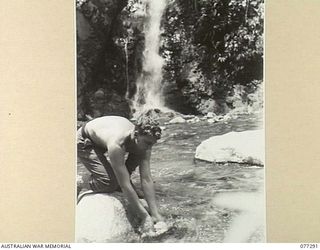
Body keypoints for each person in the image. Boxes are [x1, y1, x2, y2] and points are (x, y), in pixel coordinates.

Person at [77, 109, 167, 236]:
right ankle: (82, 181)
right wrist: (144, 216)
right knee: (110, 183)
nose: (149, 148)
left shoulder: (145, 140)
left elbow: (146, 179)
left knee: (124, 182)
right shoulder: (117, 143)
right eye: (147, 143)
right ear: (136, 133)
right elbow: (125, 185)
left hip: (107, 136)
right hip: (86, 140)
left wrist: (156, 214)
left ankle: (107, 175)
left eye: (152, 144)